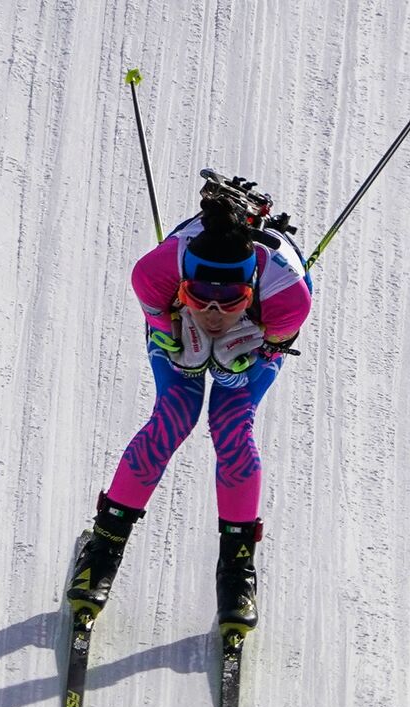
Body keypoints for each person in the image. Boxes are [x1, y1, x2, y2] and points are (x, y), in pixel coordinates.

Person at [66, 181, 313, 631]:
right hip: (180, 327)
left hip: (257, 331)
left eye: (230, 300)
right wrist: (181, 330)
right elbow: (165, 326)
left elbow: (274, 345)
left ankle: (237, 572)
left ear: (251, 288)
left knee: (232, 427)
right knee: (173, 420)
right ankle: (101, 551)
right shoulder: (153, 275)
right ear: (182, 285)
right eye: (201, 297)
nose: (214, 312)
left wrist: (242, 357)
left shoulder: (288, 298)